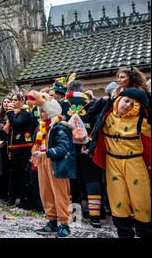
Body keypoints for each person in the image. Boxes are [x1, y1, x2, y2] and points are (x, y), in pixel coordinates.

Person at [91, 89, 151, 238]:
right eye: (126, 100)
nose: (128, 105)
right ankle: (124, 235)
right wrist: (101, 101)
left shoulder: (141, 121)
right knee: (118, 200)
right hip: (113, 163)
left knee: (141, 200)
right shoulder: (106, 117)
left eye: (132, 103)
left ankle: (145, 233)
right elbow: (87, 116)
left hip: (135, 163)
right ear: (119, 99)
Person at [28, 91, 76, 238]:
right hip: (44, 163)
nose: (41, 113)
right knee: (46, 194)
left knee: (60, 195)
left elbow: (64, 148)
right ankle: (52, 221)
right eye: (40, 111)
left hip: (56, 164)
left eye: (43, 111)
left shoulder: (59, 127)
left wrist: (46, 153)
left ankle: (64, 224)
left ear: (50, 111)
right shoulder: (43, 127)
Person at [61, 80, 104, 228]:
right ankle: (95, 217)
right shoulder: (92, 103)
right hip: (88, 146)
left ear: (69, 89)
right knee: (92, 179)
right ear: (83, 89)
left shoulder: (62, 104)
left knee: (71, 180)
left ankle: (74, 216)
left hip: (68, 147)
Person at [6, 92, 34, 208]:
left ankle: (25, 201)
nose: (13, 102)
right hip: (14, 148)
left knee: (23, 175)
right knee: (15, 174)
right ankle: (13, 198)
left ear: (22, 101)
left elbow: (16, 124)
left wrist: (9, 113)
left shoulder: (25, 113)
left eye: (15, 100)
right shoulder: (16, 113)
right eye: (12, 100)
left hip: (23, 148)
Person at [0, 96, 11, 202]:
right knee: (1, 169)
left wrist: (4, 141)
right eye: (4, 102)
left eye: (8, 102)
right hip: (0, 145)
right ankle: (0, 193)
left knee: (7, 170)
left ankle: (7, 194)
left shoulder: (10, 115)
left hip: (8, 145)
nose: (5, 103)